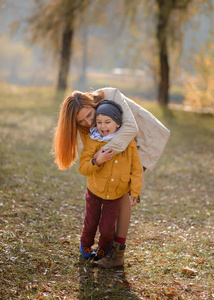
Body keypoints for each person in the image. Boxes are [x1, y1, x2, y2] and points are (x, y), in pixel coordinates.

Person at [53, 87, 170, 268]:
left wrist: (102, 153)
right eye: (82, 121)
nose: (89, 122)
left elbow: (130, 128)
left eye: (90, 115)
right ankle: (108, 249)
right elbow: (92, 155)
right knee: (114, 194)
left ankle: (117, 252)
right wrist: (97, 161)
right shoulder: (88, 124)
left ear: (93, 104)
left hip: (142, 139)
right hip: (121, 146)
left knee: (122, 192)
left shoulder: (111, 95)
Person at [78, 100, 142, 268]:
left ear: (118, 123)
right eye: (99, 122)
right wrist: (97, 160)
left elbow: (136, 169)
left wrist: (135, 192)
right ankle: (85, 245)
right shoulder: (92, 140)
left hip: (115, 194)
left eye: (107, 122)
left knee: (107, 228)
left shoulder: (128, 143)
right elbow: (83, 168)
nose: (102, 126)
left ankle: (104, 250)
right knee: (90, 223)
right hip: (95, 191)